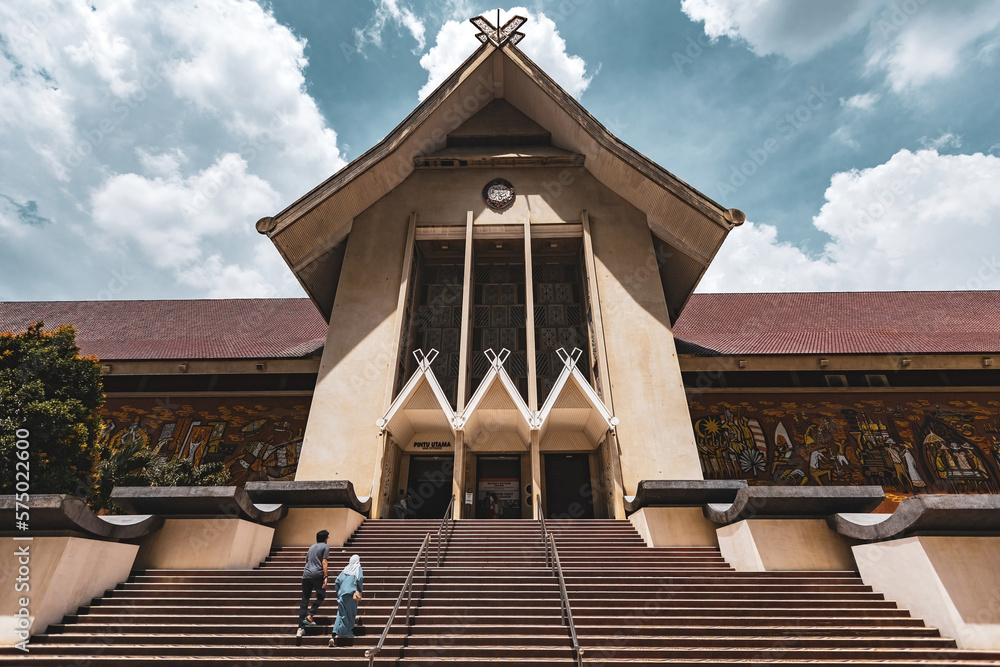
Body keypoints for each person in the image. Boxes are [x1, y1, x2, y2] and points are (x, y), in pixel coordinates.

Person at [297, 529, 329, 638]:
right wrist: (325, 576)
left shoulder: (311, 547)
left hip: (306, 575)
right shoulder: (325, 547)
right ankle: (310, 615)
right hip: (317, 575)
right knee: (321, 596)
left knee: (304, 600)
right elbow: (324, 562)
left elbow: (307, 561)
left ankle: (300, 627)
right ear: (325, 539)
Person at [329, 554, 364, 646]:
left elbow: (337, 581)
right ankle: (346, 632)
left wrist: (339, 592)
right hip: (351, 594)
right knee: (350, 613)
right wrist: (360, 590)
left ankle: (334, 634)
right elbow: (360, 578)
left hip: (342, 594)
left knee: (340, 614)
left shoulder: (346, 569)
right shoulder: (358, 568)